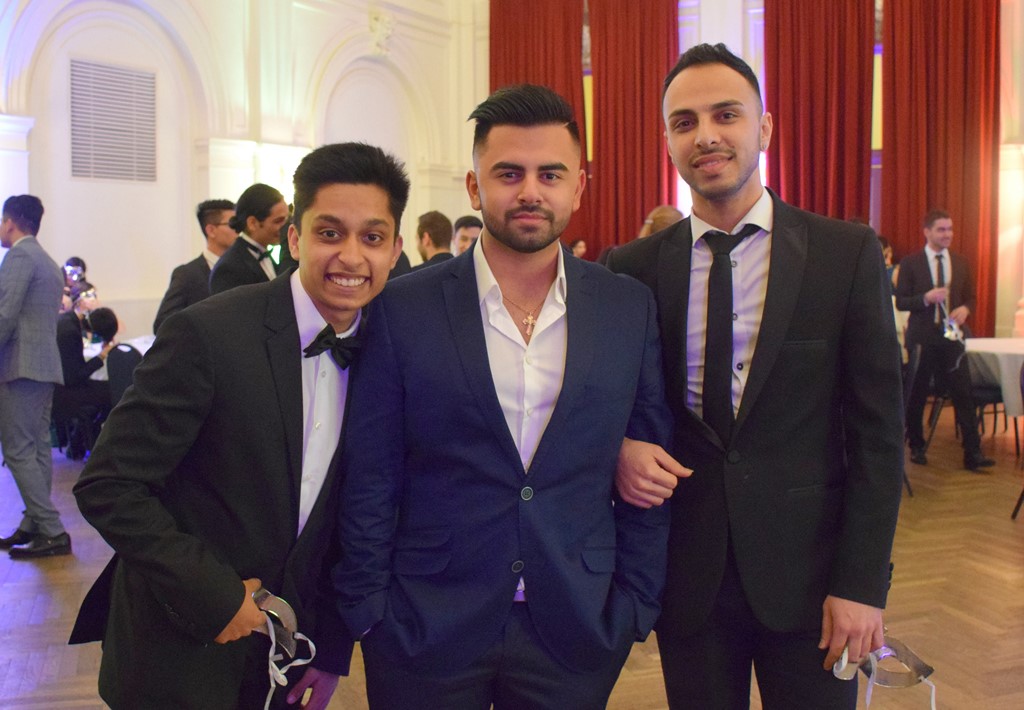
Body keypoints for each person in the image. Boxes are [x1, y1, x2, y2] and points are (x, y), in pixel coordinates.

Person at [334, 84, 672, 710]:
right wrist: (367, 607)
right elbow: (372, 469)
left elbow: (652, 460)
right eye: (509, 173)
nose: (530, 192)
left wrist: (635, 601)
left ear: (578, 187)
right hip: (424, 621)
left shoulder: (627, 306)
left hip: (575, 623)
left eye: (551, 174)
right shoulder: (404, 305)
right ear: (474, 186)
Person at [605, 43, 904, 709]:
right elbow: (608, 403)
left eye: (726, 114)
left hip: (814, 584)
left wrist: (862, 584)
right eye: (684, 122)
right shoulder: (632, 268)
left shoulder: (844, 253)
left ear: (763, 128)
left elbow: (879, 436)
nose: (705, 135)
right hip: (689, 579)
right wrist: (620, 447)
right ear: (667, 142)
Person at [71, 142, 409, 709]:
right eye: (329, 233)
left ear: (395, 250)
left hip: (289, 658)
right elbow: (109, 484)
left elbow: (349, 519)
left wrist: (330, 648)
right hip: (178, 651)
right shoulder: (209, 333)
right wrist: (215, 595)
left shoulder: (389, 353)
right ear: (294, 239)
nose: (351, 256)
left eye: (372, 237)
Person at [0, 195, 72, 559]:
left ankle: (52, 529)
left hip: (20, 366)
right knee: (38, 449)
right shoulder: (47, 260)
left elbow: (4, 314)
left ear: (10, 222)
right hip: (44, 366)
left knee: (17, 450)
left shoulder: (19, 256)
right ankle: (33, 523)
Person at [896, 209, 993, 471]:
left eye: (950, 229)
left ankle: (973, 452)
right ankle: (916, 445)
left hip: (952, 338)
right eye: (941, 229)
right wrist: (925, 298)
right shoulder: (911, 263)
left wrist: (966, 309)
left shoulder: (960, 262)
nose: (947, 234)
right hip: (922, 337)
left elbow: (971, 297)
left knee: (963, 393)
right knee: (918, 394)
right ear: (927, 232)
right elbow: (901, 301)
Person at [152, 199, 237, 333]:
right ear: (211, 230)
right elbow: (163, 323)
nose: (238, 230)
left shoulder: (242, 269)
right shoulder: (187, 274)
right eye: (232, 224)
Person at [53, 302, 118, 460]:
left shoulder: (67, 320)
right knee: (113, 393)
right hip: (63, 394)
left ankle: (78, 443)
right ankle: (93, 443)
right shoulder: (70, 333)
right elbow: (75, 376)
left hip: (61, 388)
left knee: (106, 391)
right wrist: (101, 356)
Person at [209, 183, 289, 295]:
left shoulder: (264, 254)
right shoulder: (228, 268)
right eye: (278, 221)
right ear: (252, 223)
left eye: (287, 220)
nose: (286, 227)